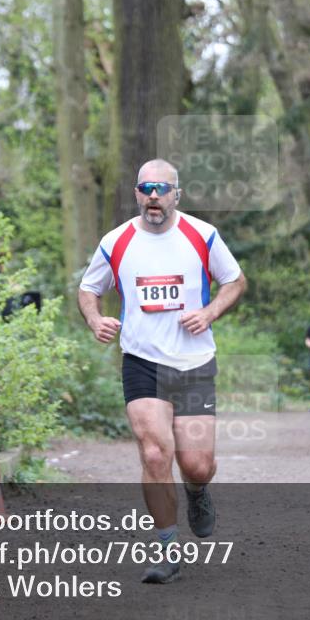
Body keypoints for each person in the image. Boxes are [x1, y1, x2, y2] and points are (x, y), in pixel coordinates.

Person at [78, 159, 246, 583]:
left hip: (193, 362)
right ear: (136, 194)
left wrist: (209, 312)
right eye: (146, 188)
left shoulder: (202, 235)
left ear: (177, 195)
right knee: (154, 452)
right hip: (142, 360)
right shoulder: (114, 242)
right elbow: (87, 289)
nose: (154, 195)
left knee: (197, 464)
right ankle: (167, 548)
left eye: (162, 189)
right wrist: (95, 320)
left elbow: (235, 281)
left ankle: (197, 490)